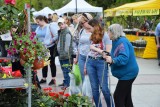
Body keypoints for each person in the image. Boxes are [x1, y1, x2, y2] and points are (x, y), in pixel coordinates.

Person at [105, 24, 139, 107]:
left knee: (118, 96)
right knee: (126, 98)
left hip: (128, 74)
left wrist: (112, 60)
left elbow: (124, 57)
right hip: (127, 73)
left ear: (114, 33)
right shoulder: (116, 40)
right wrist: (108, 55)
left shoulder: (122, 42)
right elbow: (117, 53)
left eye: (108, 32)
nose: (107, 33)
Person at [85, 19, 113, 107]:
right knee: (94, 89)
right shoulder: (92, 36)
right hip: (90, 62)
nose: (88, 31)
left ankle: (111, 105)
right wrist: (86, 66)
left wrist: (96, 49)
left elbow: (107, 53)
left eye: (89, 28)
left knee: (104, 88)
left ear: (95, 26)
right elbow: (89, 52)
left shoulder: (105, 36)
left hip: (101, 63)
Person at [35, 15, 59, 85]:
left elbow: (56, 35)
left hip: (50, 47)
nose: (37, 23)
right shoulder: (38, 28)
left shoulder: (49, 26)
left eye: (38, 22)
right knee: (44, 63)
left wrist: (50, 41)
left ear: (42, 20)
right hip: (42, 48)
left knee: (51, 63)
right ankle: (44, 78)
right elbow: (35, 36)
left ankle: (53, 78)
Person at [74, 13, 93, 82]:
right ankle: (84, 91)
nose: (81, 25)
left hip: (90, 56)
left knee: (90, 76)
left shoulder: (93, 31)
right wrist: (76, 58)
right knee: (83, 76)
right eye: (80, 24)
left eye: (82, 23)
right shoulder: (82, 31)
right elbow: (79, 45)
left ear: (88, 21)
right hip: (81, 56)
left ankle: (90, 92)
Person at [57, 18, 73, 90]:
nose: (61, 26)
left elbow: (67, 45)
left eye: (62, 24)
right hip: (61, 55)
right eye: (59, 24)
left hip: (66, 56)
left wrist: (64, 52)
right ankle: (65, 82)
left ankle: (67, 84)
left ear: (65, 23)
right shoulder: (61, 32)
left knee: (67, 70)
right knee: (64, 70)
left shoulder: (67, 32)